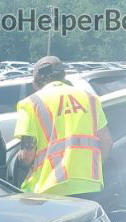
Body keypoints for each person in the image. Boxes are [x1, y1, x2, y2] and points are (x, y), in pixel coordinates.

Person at [14, 56, 113, 198]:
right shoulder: (90, 99)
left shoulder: (30, 103)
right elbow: (107, 143)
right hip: (90, 185)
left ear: (35, 84)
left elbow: (27, 156)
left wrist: (18, 164)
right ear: (63, 76)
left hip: (50, 190)